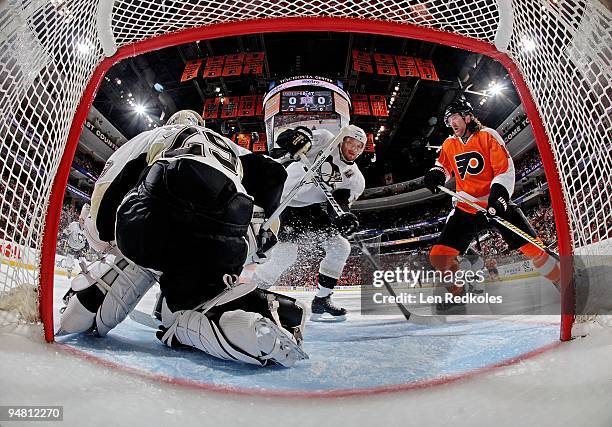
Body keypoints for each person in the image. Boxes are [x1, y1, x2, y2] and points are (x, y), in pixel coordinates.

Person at [58, 110, 309, 367]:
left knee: (81, 318)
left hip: (158, 215)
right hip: (224, 230)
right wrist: (264, 240)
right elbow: (274, 173)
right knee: (189, 306)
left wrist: (106, 239)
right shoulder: (231, 148)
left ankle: (117, 281)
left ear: (171, 123)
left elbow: (108, 185)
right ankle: (247, 327)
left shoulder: (158, 134)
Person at [423, 99, 560, 310]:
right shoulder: (449, 144)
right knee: (439, 256)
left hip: (494, 204)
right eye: (449, 120)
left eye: (455, 118)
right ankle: (458, 293)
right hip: (465, 208)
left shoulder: (488, 135)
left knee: (534, 248)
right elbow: (442, 165)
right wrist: (436, 174)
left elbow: (504, 169)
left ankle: (562, 281)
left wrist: (499, 197)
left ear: (467, 117)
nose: (452, 123)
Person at [253, 124, 367, 321]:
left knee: (340, 246)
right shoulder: (325, 139)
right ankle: (252, 292)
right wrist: (294, 137)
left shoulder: (355, 178)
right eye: (351, 142)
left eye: (359, 146)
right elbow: (296, 140)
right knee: (285, 256)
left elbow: (339, 202)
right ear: (342, 139)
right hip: (284, 203)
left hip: (311, 210)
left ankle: (322, 299)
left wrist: (343, 217)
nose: (354, 149)